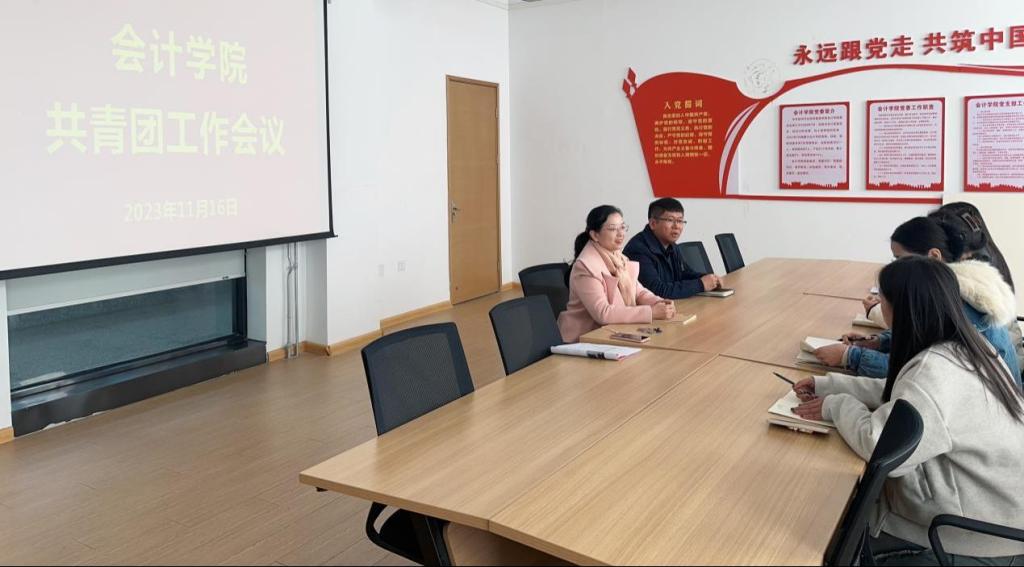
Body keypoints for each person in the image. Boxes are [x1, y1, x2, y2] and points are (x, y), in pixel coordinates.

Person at [792, 256, 1024, 565]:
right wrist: (829, 385)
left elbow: (879, 445)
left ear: (901, 310)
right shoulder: (966, 346)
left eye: (882, 301)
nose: (878, 306)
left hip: (968, 534)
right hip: (1000, 513)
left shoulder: (936, 371)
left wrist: (836, 405)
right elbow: (906, 397)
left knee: (823, 524)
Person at [814, 216, 1020, 385]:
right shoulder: (952, 285)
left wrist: (850, 357)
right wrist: (879, 342)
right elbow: (922, 335)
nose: (896, 267)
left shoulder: (956, 302)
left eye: (900, 259)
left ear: (933, 256)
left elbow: (917, 371)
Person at [557, 205, 675, 343]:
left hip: (612, 333)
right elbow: (603, 313)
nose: (621, 234)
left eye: (622, 227)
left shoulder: (619, 258)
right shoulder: (585, 266)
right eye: (613, 229)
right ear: (595, 235)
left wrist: (660, 302)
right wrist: (651, 312)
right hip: (583, 339)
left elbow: (638, 292)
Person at [622, 198, 721, 299]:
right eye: (670, 220)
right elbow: (657, 291)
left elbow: (683, 274)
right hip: (649, 307)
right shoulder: (638, 250)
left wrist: (709, 278)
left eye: (680, 221)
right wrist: (700, 284)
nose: (676, 226)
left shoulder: (672, 245)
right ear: (653, 224)